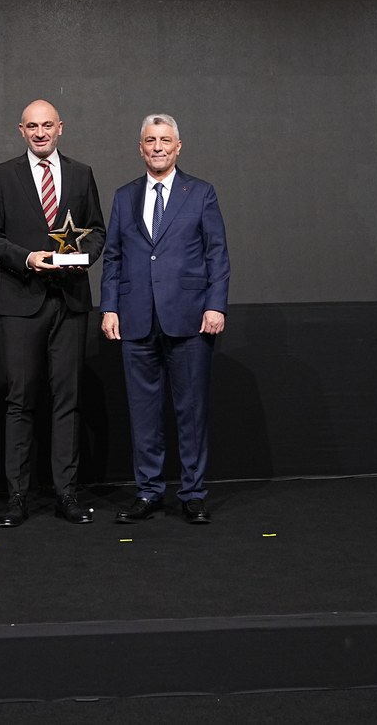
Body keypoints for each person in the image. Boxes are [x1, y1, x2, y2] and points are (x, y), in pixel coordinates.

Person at [0, 99, 106, 526]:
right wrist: (26, 258)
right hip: (21, 303)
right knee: (20, 400)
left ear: (60, 128)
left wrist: (82, 259)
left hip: (70, 302)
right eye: (32, 126)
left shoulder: (82, 174)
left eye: (47, 125)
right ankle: (17, 496)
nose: (40, 133)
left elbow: (97, 231)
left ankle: (66, 494)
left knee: (68, 401)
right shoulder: (1, 175)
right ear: (21, 130)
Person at [100, 114, 229, 525]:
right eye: (151, 140)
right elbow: (113, 257)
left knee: (191, 412)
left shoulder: (201, 193)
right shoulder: (124, 196)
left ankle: (192, 494)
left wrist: (215, 305)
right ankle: (149, 491)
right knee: (143, 414)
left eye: (165, 140)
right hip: (136, 319)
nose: (158, 147)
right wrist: (109, 307)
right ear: (140, 147)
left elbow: (217, 254)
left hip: (189, 319)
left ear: (178, 147)